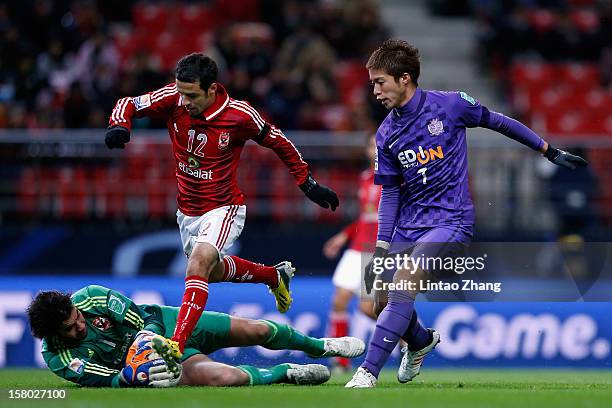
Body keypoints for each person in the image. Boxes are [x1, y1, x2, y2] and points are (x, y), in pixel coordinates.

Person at [345, 39, 588, 388]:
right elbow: (392, 192)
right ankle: (420, 341)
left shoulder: (451, 105)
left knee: (402, 285)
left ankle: (367, 372)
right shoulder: (385, 134)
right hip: (408, 227)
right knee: (374, 301)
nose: (375, 90)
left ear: (405, 78)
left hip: (450, 222)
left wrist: (547, 150)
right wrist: (382, 244)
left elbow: (499, 122)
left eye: (379, 81)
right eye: (372, 83)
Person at [105, 53, 339, 365]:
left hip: (224, 207)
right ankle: (273, 276)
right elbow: (128, 103)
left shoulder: (239, 115)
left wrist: (307, 183)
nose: (184, 101)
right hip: (187, 211)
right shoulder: (173, 98)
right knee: (209, 273)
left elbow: (279, 141)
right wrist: (120, 125)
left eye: (191, 95)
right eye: (181, 92)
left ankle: (176, 346)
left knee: (197, 265)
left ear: (212, 89)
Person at [27, 285, 365, 388]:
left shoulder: (92, 297)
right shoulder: (59, 357)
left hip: (174, 327)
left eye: (78, 318)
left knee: (258, 329)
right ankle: (286, 373)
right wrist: (133, 376)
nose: (80, 326)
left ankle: (322, 347)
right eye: (71, 330)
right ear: (53, 334)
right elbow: (106, 380)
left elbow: (144, 320)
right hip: (164, 364)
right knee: (225, 378)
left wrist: (149, 343)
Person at [323, 133, 378, 371]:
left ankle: (409, 338)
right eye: (372, 145)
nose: (376, 149)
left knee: (368, 308)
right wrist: (343, 236)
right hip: (357, 249)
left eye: (380, 145)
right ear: (367, 150)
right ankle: (341, 359)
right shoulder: (365, 178)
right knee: (339, 300)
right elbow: (364, 218)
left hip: (378, 251)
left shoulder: (398, 179)